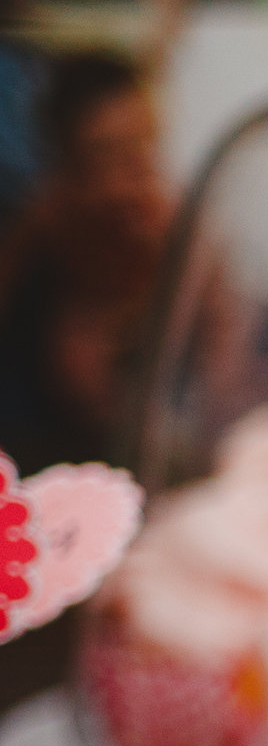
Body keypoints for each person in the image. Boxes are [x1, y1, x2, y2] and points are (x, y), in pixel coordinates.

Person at [0, 52, 174, 470]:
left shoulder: (169, 224)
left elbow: (229, 345)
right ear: (66, 172)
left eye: (145, 147)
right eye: (110, 155)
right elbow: (79, 363)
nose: (138, 174)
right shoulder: (42, 240)